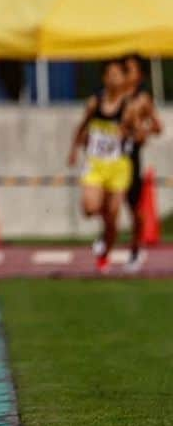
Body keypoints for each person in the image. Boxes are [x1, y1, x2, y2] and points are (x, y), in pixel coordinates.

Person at [68, 58, 133, 272]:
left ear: (124, 79)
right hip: (95, 163)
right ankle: (104, 220)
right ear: (104, 78)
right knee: (89, 208)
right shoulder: (95, 102)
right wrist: (74, 149)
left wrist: (131, 133)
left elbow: (140, 133)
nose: (114, 79)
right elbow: (82, 125)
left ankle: (106, 253)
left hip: (118, 165)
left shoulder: (128, 107)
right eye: (110, 75)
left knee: (114, 215)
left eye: (118, 75)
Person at [122, 54, 164, 272]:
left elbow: (158, 127)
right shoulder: (111, 97)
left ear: (139, 75)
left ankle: (135, 249)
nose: (124, 75)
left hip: (130, 156)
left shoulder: (142, 100)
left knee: (133, 207)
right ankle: (106, 238)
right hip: (109, 159)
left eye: (129, 70)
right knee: (105, 200)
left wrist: (142, 131)